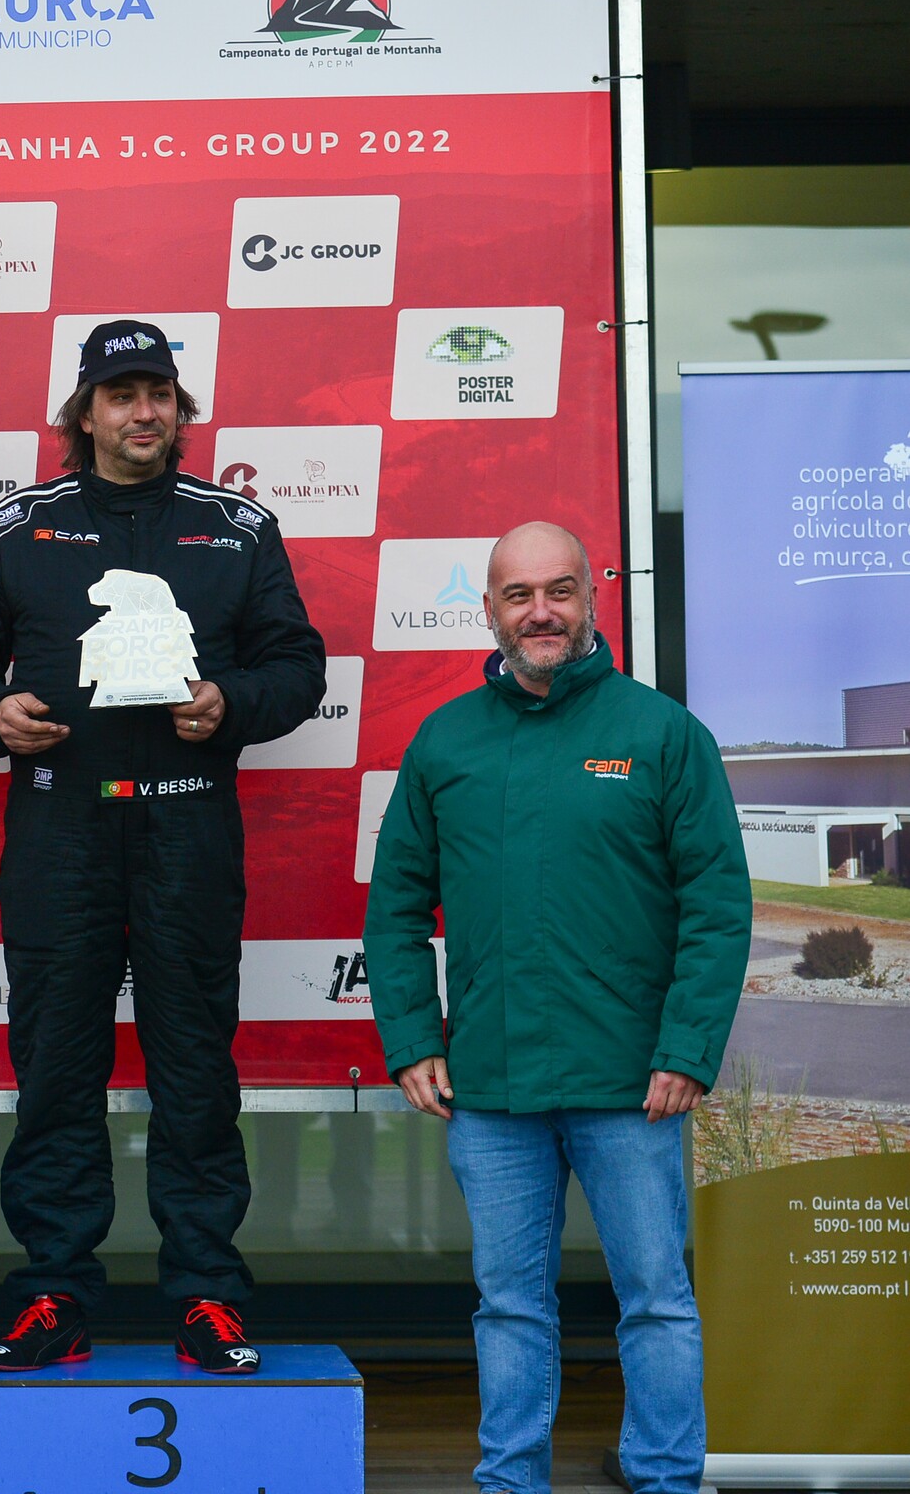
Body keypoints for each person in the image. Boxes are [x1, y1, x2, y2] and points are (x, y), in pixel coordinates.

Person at [0, 320, 325, 1374]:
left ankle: (208, 1296)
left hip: (189, 824)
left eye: (160, 395)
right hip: (60, 828)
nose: (143, 412)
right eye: (121, 395)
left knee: (195, 1071)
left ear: (181, 412)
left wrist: (230, 702)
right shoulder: (19, 526)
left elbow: (296, 665)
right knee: (55, 1069)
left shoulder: (236, 526)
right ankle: (52, 1294)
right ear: (85, 413)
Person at [363, 521, 749, 1494]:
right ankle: (511, 1480)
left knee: (655, 1300)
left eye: (559, 590)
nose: (541, 612)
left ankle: (665, 1479)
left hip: (632, 1083)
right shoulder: (445, 740)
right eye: (519, 594)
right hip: (490, 1086)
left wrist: (687, 1049)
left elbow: (716, 906)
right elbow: (395, 903)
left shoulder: (662, 734)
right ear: (489, 610)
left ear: (590, 599)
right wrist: (410, 1037)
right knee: (509, 1306)